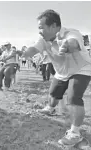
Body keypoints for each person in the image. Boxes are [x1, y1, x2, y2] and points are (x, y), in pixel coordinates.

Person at [22, 9, 91, 146]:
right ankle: (50, 108)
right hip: (61, 72)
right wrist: (25, 52)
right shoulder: (43, 40)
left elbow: (74, 43)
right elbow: (34, 49)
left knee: (73, 97)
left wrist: (67, 45)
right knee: (53, 95)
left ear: (53, 26)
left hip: (81, 69)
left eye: (41, 27)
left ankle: (75, 133)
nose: (39, 31)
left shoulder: (71, 33)